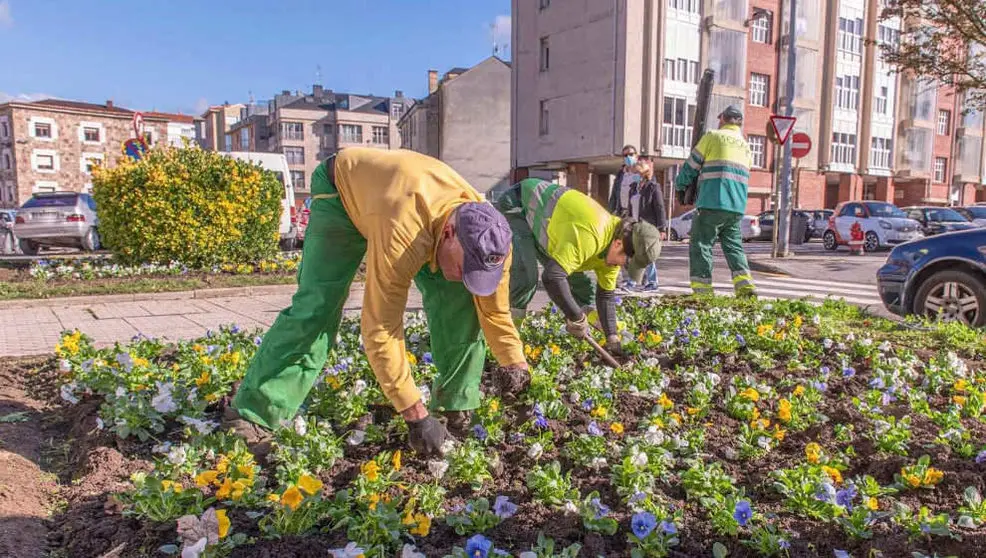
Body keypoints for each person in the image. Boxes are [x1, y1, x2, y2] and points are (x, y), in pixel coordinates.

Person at [225, 148, 529, 458]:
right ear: (449, 234)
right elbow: (381, 326)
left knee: (461, 302)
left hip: (412, 207)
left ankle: (455, 407)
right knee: (317, 306)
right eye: (465, 268)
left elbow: (494, 310)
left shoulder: (492, 239)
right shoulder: (404, 231)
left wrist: (515, 365)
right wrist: (416, 416)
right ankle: (254, 413)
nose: (468, 276)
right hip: (343, 193)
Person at [496, 178, 663, 356]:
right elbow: (552, 277)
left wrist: (612, 337)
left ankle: (511, 340)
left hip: (549, 227)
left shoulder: (615, 244)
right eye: (626, 261)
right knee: (525, 277)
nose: (621, 266)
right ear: (618, 244)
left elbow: (605, 296)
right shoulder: (591, 233)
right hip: (519, 206)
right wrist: (576, 317)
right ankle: (506, 343)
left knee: (582, 289)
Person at [673, 105, 757, 297]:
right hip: (736, 207)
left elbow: (691, 166)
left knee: (701, 244)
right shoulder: (746, 146)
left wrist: (680, 186)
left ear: (722, 120)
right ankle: (746, 288)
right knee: (734, 246)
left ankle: (703, 291)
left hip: (712, 202)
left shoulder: (713, 136)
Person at [627, 154, 667, 292]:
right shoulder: (634, 187)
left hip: (649, 227)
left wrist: (662, 228)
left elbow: (660, 208)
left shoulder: (653, 187)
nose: (636, 173)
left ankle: (650, 282)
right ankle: (634, 282)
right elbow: (630, 207)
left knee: (647, 255)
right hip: (635, 226)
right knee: (634, 254)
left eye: (638, 171)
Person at [608, 145, 639, 216]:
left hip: (636, 213)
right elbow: (613, 196)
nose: (628, 157)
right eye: (625, 155)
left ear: (636, 156)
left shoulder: (640, 173)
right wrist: (608, 214)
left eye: (631, 154)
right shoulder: (620, 174)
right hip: (622, 212)